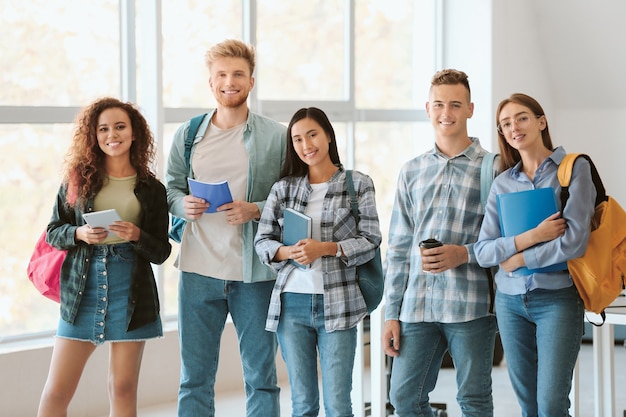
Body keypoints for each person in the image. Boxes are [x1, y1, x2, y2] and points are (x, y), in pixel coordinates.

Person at [165, 39, 286, 417]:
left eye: (237, 74)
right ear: (210, 82)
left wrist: (257, 209)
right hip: (198, 271)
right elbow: (171, 187)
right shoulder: (189, 134)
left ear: (251, 81)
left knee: (261, 376)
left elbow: (296, 196)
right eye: (221, 75)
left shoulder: (277, 136)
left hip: (255, 273)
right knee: (194, 379)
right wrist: (181, 204)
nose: (229, 82)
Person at [37, 97, 172, 417]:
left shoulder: (152, 189)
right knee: (57, 390)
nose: (113, 134)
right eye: (104, 129)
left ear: (134, 133)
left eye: (120, 127)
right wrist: (79, 234)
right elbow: (53, 231)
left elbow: (162, 251)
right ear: (94, 136)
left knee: (123, 388)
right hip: (81, 288)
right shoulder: (77, 179)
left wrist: (136, 235)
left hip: (131, 293)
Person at [382, 69, 497, 417]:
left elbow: (505, 241)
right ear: (428, 108)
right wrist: (391, 312)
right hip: (417, 306)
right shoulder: (411, 170)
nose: (446, 112)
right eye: (439, 104)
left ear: (470, 109)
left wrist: (463, 254)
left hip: (472, 305)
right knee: (404, 398)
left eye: (455, 104)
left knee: (474, 400)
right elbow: (399, 246)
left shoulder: (494, 167)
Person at [254, 107, 382, 416]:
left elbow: (371, 240)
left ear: (327, 135)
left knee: (338, 404)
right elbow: (263, 242)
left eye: (312, 134)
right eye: (297, 139)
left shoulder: (358, 184)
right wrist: (289, 252)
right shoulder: (283, 189)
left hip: (338, 304)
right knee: (303, 404)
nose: (306, 145)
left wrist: (325, 248)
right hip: (291, 304)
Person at [474, 93, 595, 416]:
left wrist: (520, 259)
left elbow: (574, 242)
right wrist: (532, 238)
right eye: (506, 124)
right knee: (528, 405)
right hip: (510, 302)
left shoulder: (574, 170)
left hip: (557, 299)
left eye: (522, 117)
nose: (515, 127)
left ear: (541, 121)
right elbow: (484, 250)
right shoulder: (502, 184)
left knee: (552, 404)